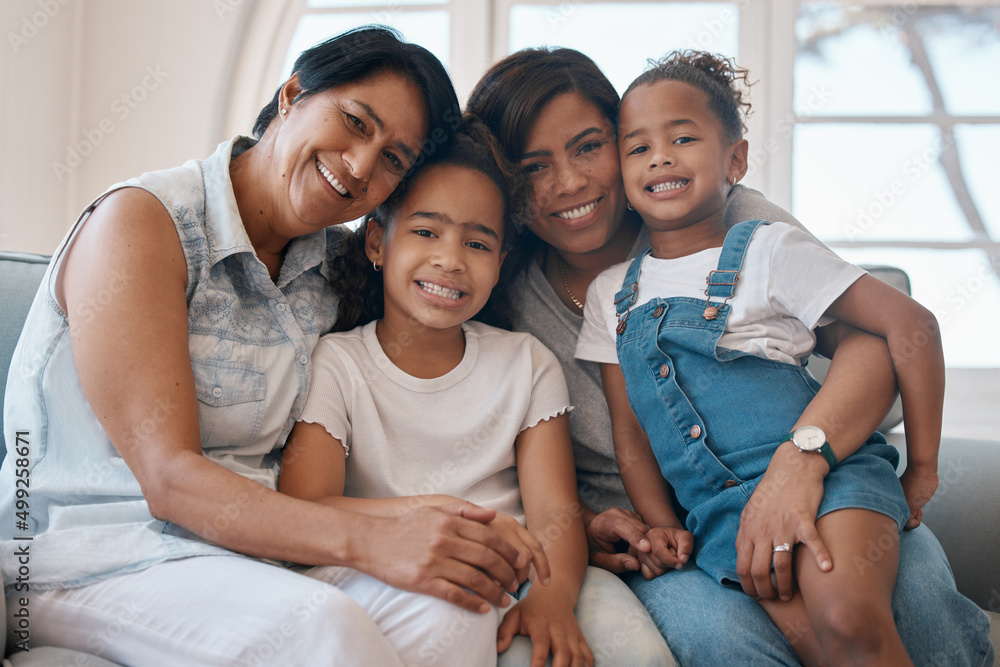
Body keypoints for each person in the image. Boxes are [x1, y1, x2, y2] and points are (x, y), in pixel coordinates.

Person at [0, 27, 533, 666]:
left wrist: (467, 521)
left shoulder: (336, 264)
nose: (363, 165)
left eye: (395, 158)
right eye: (356, 123)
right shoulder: (142, 223)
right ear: (291, 96)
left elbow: (444, 301)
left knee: (457, 599)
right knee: (325, 630)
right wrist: (368, 539)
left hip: (252, 557)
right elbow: (169, 481)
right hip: (95, 559)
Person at [467, 46, 994, 666]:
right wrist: (589, 522)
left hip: (825, 466)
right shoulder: (493, 286)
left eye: (588, 146)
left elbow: (874, 340)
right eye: (533, 167)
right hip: (691, 529)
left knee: (915, 613)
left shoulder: (729, 222)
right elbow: (509, 461)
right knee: (728, 640)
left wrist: (801, 463)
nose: (570, 183)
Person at [576, 50, 942, 665]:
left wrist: (925, 465)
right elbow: (630, 431)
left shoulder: (770, 251)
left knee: (850, 622)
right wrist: (662, 523)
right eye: (637, 148)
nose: (659, 156)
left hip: (830, 479)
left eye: (683, 138)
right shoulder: (611, 293)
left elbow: (910, 325)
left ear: (736, 159)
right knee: (817, 649)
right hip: (721, 517)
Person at [277, 116, 593, 667]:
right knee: (453, 607)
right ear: (378, 241)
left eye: (477, 242)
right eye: (426, 232)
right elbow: (307, 507)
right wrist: (438, 517)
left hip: (507, 578)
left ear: (500, 264)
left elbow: (556, 517)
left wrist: (552, 596)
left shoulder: (526, 365)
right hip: (375, 571)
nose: (450, 260)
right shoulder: (339, 363)